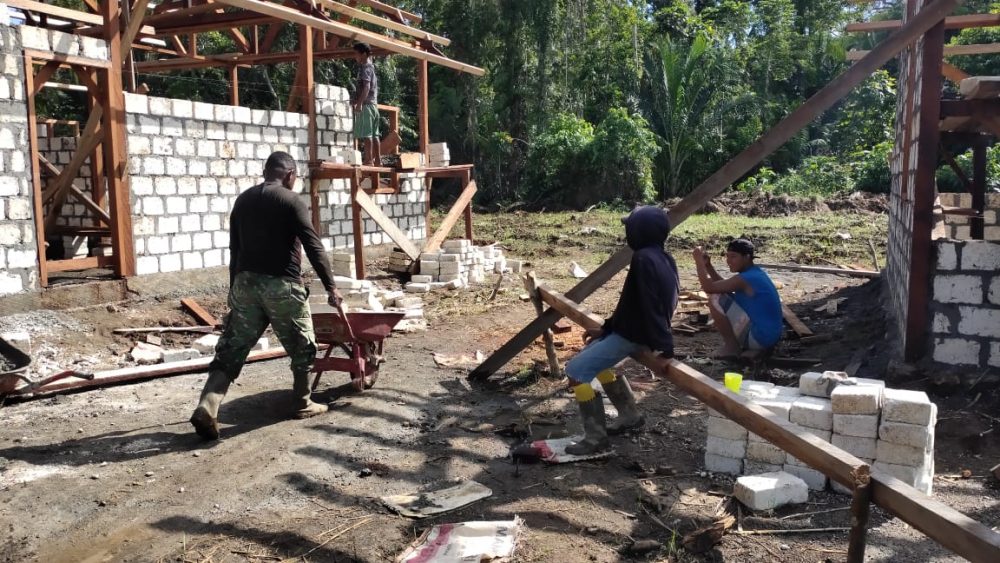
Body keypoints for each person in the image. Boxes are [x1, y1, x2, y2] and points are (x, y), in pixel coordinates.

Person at [190, 152, 343, 441]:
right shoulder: (290, 200)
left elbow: (234, 249)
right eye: (295, 178)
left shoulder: (243, 200)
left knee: (232, 348)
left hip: (245, 284)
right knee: (302, 344)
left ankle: (207, 405)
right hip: (281, 285)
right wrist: (331, 286)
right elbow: (313, 246)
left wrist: (233, 290)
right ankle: (302, 401)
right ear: (289, 175)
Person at [563, 206, 679, 455]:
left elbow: (651, 304)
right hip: (634, 331)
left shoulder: (642, 258)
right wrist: (607, 328)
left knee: (575, 372)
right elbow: (635, 303)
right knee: (596, 359)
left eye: (629, 228)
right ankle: (629, 416)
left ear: (639, 232)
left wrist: (665, 346)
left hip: (635, 335)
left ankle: (595, 439)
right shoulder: (663, 257)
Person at [693, 238, 783, 359]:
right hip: (768, 337)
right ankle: (737, 344)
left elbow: (709, 287)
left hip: (759, 339)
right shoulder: (755, 273)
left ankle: (731, 348)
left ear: (746, 257)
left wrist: (698, 262)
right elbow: (723, 286)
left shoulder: (745, 278)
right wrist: (708, 266)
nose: (728, 261)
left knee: (715, 298)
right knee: (722, 294)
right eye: (728, 256)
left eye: (733, 257)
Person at [352, 42, 381, 167]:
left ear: (363, 54)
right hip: (374, 106)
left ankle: (369, 160)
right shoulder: (371, 67)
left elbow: (367, 87)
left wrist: (359, 103)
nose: (355, 57)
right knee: (375, 134)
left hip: (367, 105)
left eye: (356, 54)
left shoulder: (365, 68)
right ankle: (378, 161)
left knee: (367, 134)